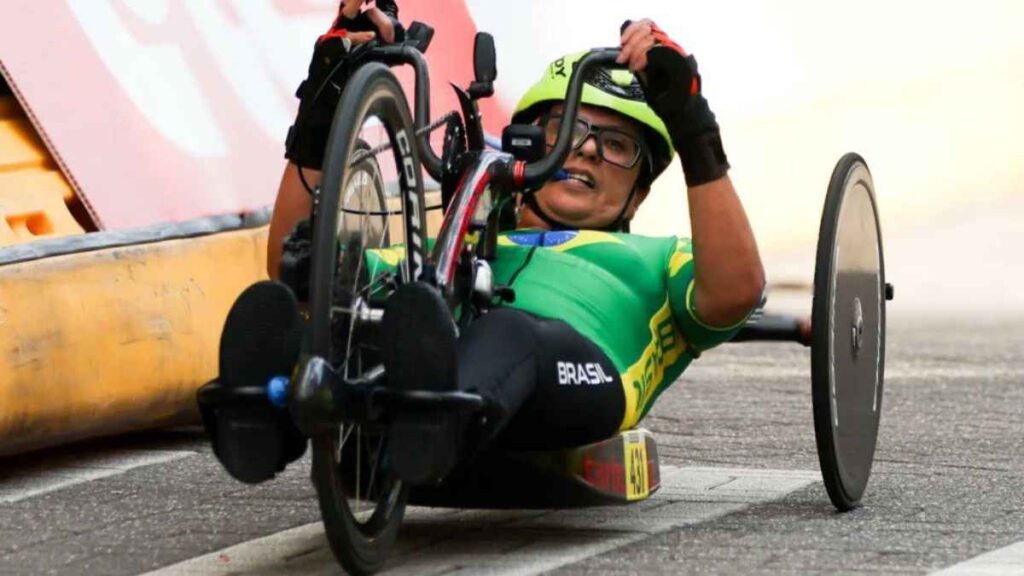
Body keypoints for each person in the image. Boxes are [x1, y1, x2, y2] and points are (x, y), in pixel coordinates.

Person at [211, 1, 764, 485]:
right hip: (434, 342)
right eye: (566, 131)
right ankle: (264, 413)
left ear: (639, 193)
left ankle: (430, 425)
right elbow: (301, 260)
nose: (589, 151)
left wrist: (693, 128)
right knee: (312, 295)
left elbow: (735, 293)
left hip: (577, 373)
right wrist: (323, 106)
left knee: (509, 330)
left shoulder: (660, 258)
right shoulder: (453, 254)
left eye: (617, 144)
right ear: (526, 146)